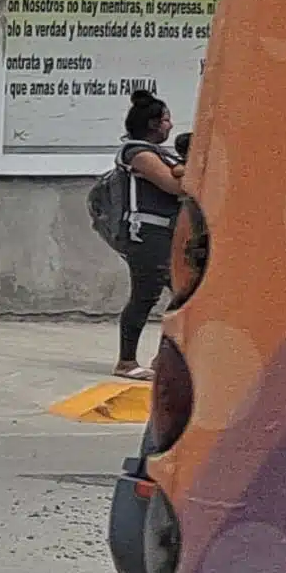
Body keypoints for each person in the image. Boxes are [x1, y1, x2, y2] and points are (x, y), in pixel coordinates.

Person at [115, 89, 186, 380]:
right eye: (166, 120)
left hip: (165, 232)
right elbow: (175, 186)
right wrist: (184, 172)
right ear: (153, 124)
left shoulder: (161, 154)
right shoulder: (137, 153)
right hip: (145, 233)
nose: (170, 125)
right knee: (145, 295)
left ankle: (162, 358)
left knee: (183, 296)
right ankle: (126, 362)